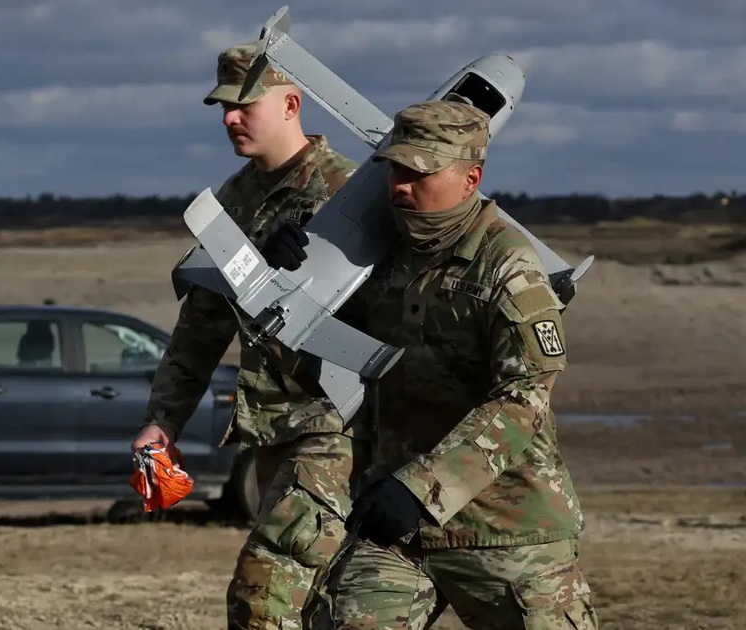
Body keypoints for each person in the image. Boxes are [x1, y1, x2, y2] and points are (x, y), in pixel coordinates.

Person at [257, 100, 598, 629]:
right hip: (396, 531)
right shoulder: (377, 258)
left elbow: (523, 400)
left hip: (506, 531)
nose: (400, 186)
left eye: (420, 173)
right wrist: (286, 284)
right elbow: (318, 369)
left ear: (470, 179)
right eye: (395, 170)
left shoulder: (509, 267)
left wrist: (420, 488)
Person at [131, 42, 366, 630]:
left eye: (244, 105)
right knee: (320, 606)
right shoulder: (232, 203)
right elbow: (201, 327)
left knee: (264, 593)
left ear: (291, 104)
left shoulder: (351, 192)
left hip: (338, 427)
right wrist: (163, 421)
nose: (230, 119)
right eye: (223, 108)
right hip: (273, 432)